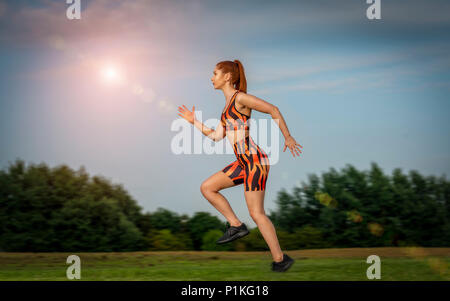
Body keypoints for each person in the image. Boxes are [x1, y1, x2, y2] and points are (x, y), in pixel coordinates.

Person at [177, 59, 302, 272]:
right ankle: (236, 225)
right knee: (207, 188)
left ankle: (281, 259)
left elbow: (273, 109)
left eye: (214, 73)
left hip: (254, 161)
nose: (211, 77)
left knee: (257, 213)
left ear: (227, 77)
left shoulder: (240, 98)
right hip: (243, 163)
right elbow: (216, 136)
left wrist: (287, 137)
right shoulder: (226, 109)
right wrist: (193, 121)